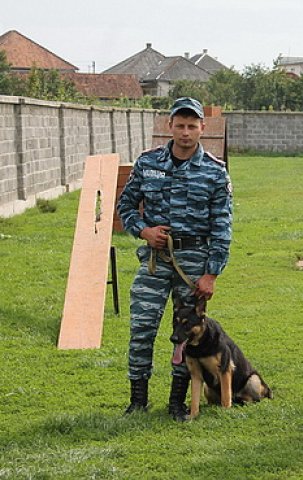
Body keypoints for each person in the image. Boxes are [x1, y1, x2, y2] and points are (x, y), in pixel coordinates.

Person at [118, 97, 233, 421]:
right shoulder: (147, 163)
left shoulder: (214, 171)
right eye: (179, 125)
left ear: (202, 128)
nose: (185, 132)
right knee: (142, 328)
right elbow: (125, 205)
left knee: (188, 334)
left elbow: (222, 225)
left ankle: (177, 402)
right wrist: (143, 231)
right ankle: (137, 400)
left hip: (194, 264)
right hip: (155, 259)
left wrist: (212, 274)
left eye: (191, 126)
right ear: (170, 126)